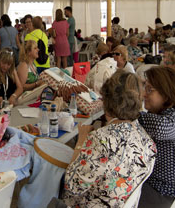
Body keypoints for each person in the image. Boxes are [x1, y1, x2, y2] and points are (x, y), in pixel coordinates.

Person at [62, 70, 156, 207]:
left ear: (106, 101)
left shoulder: (101, 140)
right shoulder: (147, 141)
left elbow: (71, 185)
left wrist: (81, 139)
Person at [138, 66, 175, 208]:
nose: (144, 94)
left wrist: (129, 113)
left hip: (165, 196)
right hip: (164, 191)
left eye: (150, 90)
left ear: (166, 94)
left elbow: (159, 128)